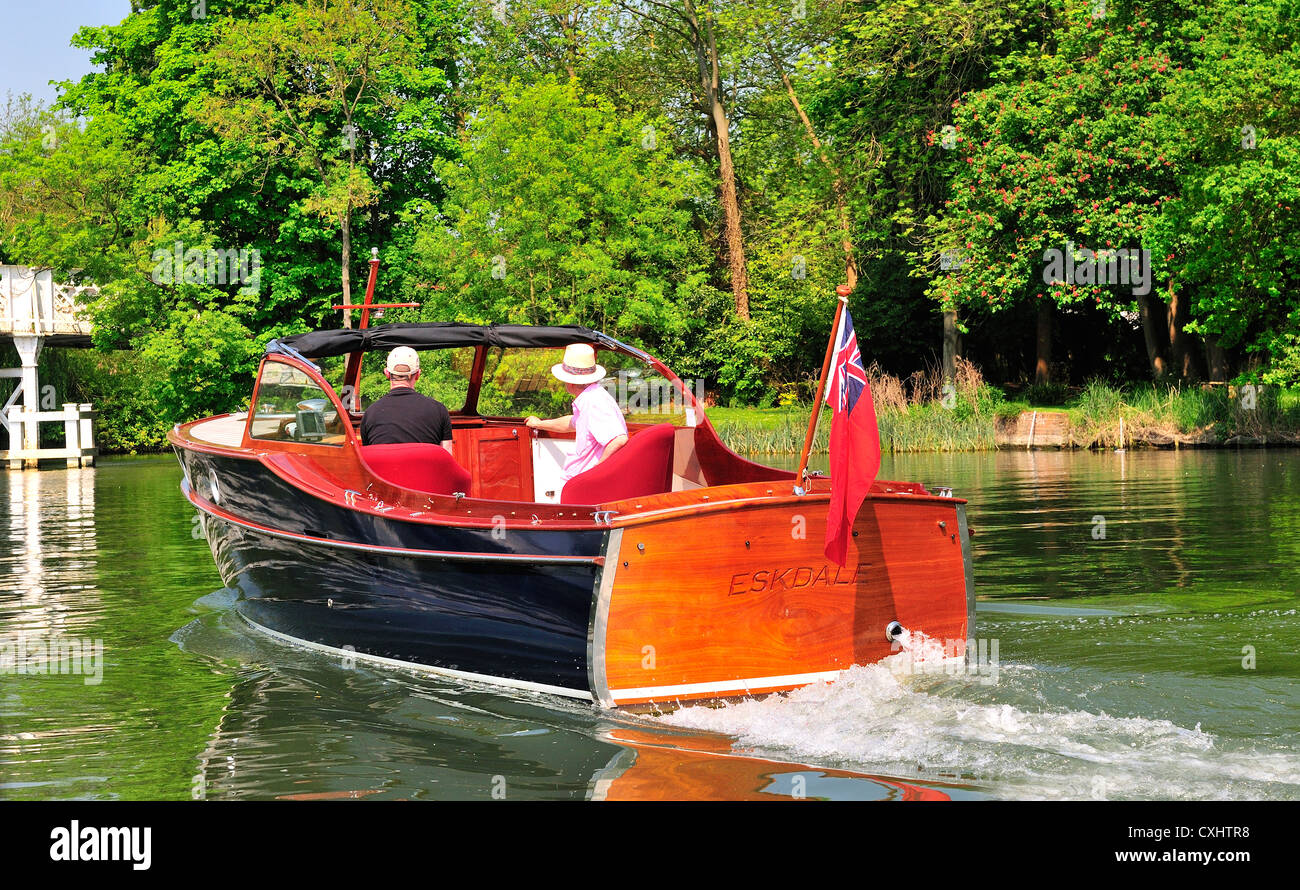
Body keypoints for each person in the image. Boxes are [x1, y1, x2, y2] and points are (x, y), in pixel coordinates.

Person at [525, 343, 628, 483]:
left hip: (585, 484)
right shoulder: (591, 396)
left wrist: (596, 472)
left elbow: (618, 439)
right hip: (580, 481)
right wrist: (539, 424)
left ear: (570, 382)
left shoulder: (593, 401)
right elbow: (572, 422)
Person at [360, 346, 454, 451]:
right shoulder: (439, 411)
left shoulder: (370, 414)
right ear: (418, 374)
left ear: (387, 374)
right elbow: (447, 457)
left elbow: (367, 461)